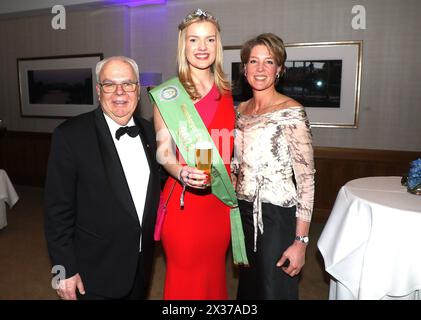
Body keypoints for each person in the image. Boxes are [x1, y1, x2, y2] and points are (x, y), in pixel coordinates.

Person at [44, 56, 162, 300]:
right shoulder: (70, 136)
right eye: (110, 84)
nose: (120, 92)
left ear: (138, 91)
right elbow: (57, 211)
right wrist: (64, 269)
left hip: (141, 264)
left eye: (128, 84)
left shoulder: (151, 133)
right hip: (94, 271)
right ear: (99, 90)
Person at [151, 8, 247, 300]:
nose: (202, 48)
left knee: (213, 276)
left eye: (209, 40)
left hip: (219, 202)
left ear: (218, 44)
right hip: (183, 204)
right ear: (183, 45)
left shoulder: (229, 93)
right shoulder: (169, 94)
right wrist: (180, 171)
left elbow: (231, 145)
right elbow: (163, 150)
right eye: (193, 40)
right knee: (185, 280)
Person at [232, 33, 315, 300]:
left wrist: (300, 243)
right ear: (244, 68)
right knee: (248, 289)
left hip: (276, 217)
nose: (259, 68)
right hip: (244, 214)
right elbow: (237, 165)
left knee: (272, 290)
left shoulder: (291, 110)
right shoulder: (239, 110)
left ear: (279, 69)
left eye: (268, 62)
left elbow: (306, 180)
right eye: (253, 61)